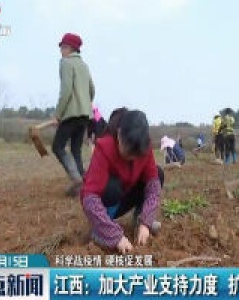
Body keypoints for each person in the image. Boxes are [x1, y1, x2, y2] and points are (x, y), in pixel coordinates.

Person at [81, 108, 164, 254]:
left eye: (136, 155)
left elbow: (153, 187)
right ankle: (102, 227)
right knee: (113, 187)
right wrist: (115, 236)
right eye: (127, 152)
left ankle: (139, 220)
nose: (131, 158)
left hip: (127, 194)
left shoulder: (144, 147)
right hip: (108, 202)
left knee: (157, 174)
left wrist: (146, 221)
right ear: (119, 134)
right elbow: (90, 198)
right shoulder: (104, 147)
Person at [52, 33, 95, 197]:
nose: (61, 51)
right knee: (75, 149)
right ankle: (84, 185)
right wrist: (85, 103)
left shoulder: (66, 63)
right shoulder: (84, 65)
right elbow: (92, 89)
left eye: (63, 47)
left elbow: (66, 91)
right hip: (85, 115)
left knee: (57, 147)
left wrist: (58, 114)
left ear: (70, 48)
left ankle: (76, 178)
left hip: (71, 114)